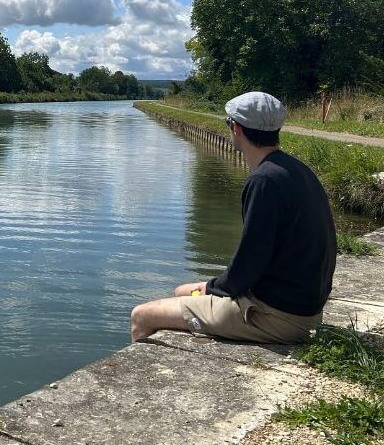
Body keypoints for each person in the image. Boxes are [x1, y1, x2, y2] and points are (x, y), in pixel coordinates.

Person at [130, 91, 336, 344]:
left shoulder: (263, 181)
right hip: (302, 305)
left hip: (277, 315)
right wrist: (212, 286)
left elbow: (248, 264)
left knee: (141, 315)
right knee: (181, 291)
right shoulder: (295, 169)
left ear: (236, 128)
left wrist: (214, 287)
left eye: (228, 124)